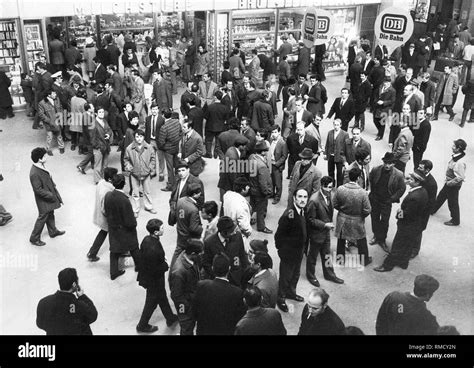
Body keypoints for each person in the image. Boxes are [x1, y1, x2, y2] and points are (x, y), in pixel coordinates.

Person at [373, 170, 428, 270]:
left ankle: (387, 265)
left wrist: (399, 213)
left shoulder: (414, 197)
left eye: (411, 180)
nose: (408, 181)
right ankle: (403, 263)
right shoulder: (423, 192)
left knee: (397, 245)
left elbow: (407, 214)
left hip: (407, 225)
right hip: (415, 225)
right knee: (408, 245)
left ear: (417, 182)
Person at [136, 219, 178, 333]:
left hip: (152, 278)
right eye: (162, 228)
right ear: (155, 232)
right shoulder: (153, 248)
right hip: (154, 280)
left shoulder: (147, 239)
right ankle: (142, 325)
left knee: (162, 298)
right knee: (151, 302)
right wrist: (166, 265)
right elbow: (154, 269)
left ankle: (170, 318)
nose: (164, 229)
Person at [192, 254, 246, 335]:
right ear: (229, 268)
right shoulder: (237, 293)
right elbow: (239, 318)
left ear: (213, 268)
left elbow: (194, 311)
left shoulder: (201, 286)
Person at [306, 176, 344, 287]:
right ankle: (311, 276)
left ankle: (329, 274)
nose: (330, 190)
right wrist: (324, 224)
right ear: (321, 186)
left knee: (326, 254)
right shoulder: (314, 200)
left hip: (326, 232)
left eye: (331, 188)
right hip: (317, 233)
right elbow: (310, 219)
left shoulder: (329, 195)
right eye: (328, 188)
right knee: (313, 256)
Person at [36, 268, 97, 335]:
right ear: (74, 284)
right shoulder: (79, 305)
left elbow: (40, 324)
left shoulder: (44, 303)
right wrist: (82, 296)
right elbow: (93, 315)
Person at [275, 188, 308, 313]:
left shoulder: (302, 211)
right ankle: (281, 298)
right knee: (285, 277)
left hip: (298, 251)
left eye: (305, 197)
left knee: (295, 275)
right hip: (289, 253)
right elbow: (279, 236)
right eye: (300, 196)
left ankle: (291, 293)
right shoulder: (290, 213)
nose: (302, 199)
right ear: (294, 198)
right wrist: (282, 252)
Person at [104, 174, 140, 280]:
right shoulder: (124, 200)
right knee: (134, 248)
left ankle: (113, 272)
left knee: (114, 251)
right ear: (124, 184)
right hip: (125, 229)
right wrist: (134, 224)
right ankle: (139, 266)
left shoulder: (108, 195)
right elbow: (129, 220)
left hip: (113, 227)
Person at [334, 168, 372, 267]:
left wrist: (342, 211)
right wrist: (361, 216)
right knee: (361, 239)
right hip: (357, 219)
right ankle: (364, 260)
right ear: (358, 178)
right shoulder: (362, 192)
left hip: (342, 218)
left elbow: (334, 204)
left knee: (341, 239)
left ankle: (340, 260)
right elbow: (367, 209)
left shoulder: (340, 189)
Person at [368, 152, 406, 253]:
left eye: (390, 163)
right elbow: (370, 180)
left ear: (394, 163)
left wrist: (392, 198)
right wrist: (371, 193)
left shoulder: (398, 174)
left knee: (385, 221)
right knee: (374, 218)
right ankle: (376, 236)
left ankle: (382, 240)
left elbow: (402, 189)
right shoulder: (376, 169)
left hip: (386, 201)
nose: (387, 165)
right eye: (385, 163)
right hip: (375, 199)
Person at [29, 147, 65, 247]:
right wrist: (50, 195)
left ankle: (53, 231)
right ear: (40, 159)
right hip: (44, 199)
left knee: (50, 213)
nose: (46, 157)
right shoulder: (34, 173)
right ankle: (34, 238)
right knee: (42, 217)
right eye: (45, 156)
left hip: (48, 197)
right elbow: (38, 190)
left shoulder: (41, 165)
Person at [202, 216, 249, 287]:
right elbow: (206, 263)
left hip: (236, 279)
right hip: (219, 283)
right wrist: (217, 277)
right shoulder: (209, 242)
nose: (234, 232)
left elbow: (242, 255)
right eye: (231, 231)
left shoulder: (238, 236)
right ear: (223, 232)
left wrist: (243, 274)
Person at [169, 239, 202, 335]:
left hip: (192, 299)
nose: (201, 255)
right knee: (187, 328)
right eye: (200, 253)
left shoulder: (190, 258)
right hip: (186, 307)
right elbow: (176, 296)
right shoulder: (178, 272)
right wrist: (187, 310)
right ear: (192, 253)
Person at [431, 139, 467, 226]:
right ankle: (432, 210)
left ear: (459, 148)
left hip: (453, 185)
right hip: (449, 182)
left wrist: (450, 183)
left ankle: (455, 220)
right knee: (441, 196)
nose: (452, 147)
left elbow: (461, 177)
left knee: (452, 202)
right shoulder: (457, 156)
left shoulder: (460, 162)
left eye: (454, 146)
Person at [87, 167, 117, 262]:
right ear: (109, 179)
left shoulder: (101, 183)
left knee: (103, 232)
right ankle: (120, 251)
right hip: (107, 217)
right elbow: (105, 207)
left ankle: (92, 252)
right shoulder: (107, 190)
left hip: (101, 216)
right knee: (114, 233)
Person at [124, 129, 157, 217]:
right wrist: (129, 168)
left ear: (143, 137)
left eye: (141, 137)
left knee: (147, 191)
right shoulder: (129, 148)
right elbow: (126, 160)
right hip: (134, 174)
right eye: (137, 137)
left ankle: (149, 207)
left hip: (146, 173)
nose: (139, 139)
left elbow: (153, 159)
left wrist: (150, 168)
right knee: (135, 193)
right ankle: (135, 209)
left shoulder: (149, 147)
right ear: (134, 138)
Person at [171, 182, 203, 267]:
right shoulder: (193, 209)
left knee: (177, 253)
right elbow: (194, 228)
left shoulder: (180, 201)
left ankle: (172, 271)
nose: (201, 194)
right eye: (199, 193)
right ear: (195, 194)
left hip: (180, 231)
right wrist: (201, 228)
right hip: (188, 236)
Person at [412, 160, 437, 259]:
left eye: (421, 168)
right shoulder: (419, 175)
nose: (418, 169)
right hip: (414, 208)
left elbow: (431, 202)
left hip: (421, 213)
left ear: (427, 170)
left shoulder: (431, 183)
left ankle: (414, 250)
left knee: (418, 231)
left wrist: (420, 212)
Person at [248, 141, 273, 234]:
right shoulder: (261, 165)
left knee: (252, 207)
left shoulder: (251, 158)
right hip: (259, 192)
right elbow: (263, 183)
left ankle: (248, 220)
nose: (267, 152)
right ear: (262, 152)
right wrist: (266, 192)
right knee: (261, 210)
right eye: (266, 151)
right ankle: (261, 227)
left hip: (252, 188)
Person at [158, 109, 182, 191]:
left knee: (170, 168)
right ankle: (178, 181)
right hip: (176, 147)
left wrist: (163, 147)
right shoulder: (176, 122)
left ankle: (171, 185)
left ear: (163, 116)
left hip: (168, 150)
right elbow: (180, 133)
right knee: (176, 165)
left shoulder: (163, 127)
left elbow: (161, 142)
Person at [90, 106, 113, 184]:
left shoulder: (105, 121)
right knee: (98, 165)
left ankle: (104, 178)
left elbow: (109, 129)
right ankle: (97, 181)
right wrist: (98, 146)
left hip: (106, 146)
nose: (102, 114)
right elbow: (92, 138)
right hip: (99, 147)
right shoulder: (93, 124)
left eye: (103, 112)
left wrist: (109, 134)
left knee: (105, 165)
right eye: (100, 112)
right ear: (96, 113)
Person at [38, 89, 65, 155]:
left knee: (59, 135)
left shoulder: (57, 99)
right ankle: (48, 149)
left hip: (57, 121)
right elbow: (41, 114)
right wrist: (49, 121)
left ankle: (61, 147)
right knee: (49, 137)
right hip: (49, 124)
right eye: (54, 94)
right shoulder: (42, 103)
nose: (55, 95)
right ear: (49, 95)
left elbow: (60, 108)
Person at [204, 90, 230, 158]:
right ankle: (216, 154)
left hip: (210, 126)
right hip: (220, 127)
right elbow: (226, 118)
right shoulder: (225, 108)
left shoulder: (210, 107)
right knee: (218, 142)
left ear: (215, 97)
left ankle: (208, 153)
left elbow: (206, 116)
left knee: (208, 140)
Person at [324, 119, 349, 187]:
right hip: (331, 156)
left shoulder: (345, 134)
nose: (336, 126)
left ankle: (339, 187)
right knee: (330, 171)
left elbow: (347, 147)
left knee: (339, 173)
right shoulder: (330, 133)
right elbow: (327, 144)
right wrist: (325, 154)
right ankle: (331, 185)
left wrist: (345, 159)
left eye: (337, 125)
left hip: (339, 157)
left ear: (340, 125)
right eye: (335, 125)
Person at [269, 125, 287, 205]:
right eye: (272, 132)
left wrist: (277, 164)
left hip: (277, 165)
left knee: (278, 183)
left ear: (279, 133)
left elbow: (284, 156)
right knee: (271, 181)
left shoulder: (282, 143)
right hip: (270, 164)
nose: (273, 134)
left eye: (275, 132)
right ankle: (272, 193)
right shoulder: (271, 140)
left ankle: (277, 197)